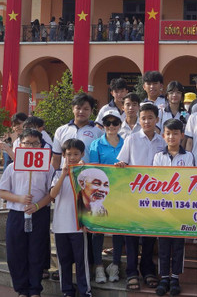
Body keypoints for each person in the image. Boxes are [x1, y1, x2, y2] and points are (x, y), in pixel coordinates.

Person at [0, 129, 55, 297]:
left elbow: (51, 193)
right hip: (17, 215)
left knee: (36, 252)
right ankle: (22, 289)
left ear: (41, 145)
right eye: (27, 143)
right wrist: (19, 198)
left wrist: (37, 206)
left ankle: (35, 289)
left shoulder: (47, 167)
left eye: (35, 143)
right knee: (16, 253)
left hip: (39, 214)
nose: (31, 147)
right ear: (20, 145)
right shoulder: (12, 167)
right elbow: (2, 192)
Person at [116, 103, 165, 290]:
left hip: (154, 196)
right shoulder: (131, 139)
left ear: (157, 120)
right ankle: (131, 272)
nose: (146, 121)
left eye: (150, 118)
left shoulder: (162, 142)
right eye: (143, 118)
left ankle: (148, 270)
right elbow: (122, 161)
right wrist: (121, 165)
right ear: (139, 119)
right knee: (132, 235)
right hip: (133, 195)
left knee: (150, 235)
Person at [153, 119, 195, 296]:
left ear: (182, 135)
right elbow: (155, 181)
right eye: (168, 133)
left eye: (175, 133)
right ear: (163, 136)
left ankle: (175, 277)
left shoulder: (188, 156)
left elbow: (190, 181)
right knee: (163, 244)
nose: (171, 137)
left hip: (180, 207)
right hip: (163, 207)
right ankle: (164, 277)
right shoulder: (158, 157)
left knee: (178, 244)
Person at [49, 138, 92, 297]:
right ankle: (67, 291)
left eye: (76, 154)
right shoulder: (58, 173)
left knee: (81, 262)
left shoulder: (86, 173)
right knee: (64, 262)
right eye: (69, 154)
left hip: (78, 227)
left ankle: (85, 291)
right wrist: (64, 174)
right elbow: (53, 194)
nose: (72, 157)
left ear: (82, 154)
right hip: (60, 226)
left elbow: (89, 199)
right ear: (63, 155)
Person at [87, 110, 125, 283]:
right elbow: (95, 170)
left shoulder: (126, 142)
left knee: (118, 229)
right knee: (98, 230)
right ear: (103, 125)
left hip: (120, 193)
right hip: (100, 193)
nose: (111, 126)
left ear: (120, 124)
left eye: (115, 123)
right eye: (107, 123)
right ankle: (99, 266)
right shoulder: (96, 144)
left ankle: (115, 264)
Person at [52, 93, 103, 169]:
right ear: (73, 109)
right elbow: (56, 158)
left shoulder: (98, 132)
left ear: (91, 111)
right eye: (78, 108)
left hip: (88, 177)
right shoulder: (61, 131)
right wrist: (54, 177)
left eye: (86, 109)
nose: (81, 112)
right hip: (65, 176)